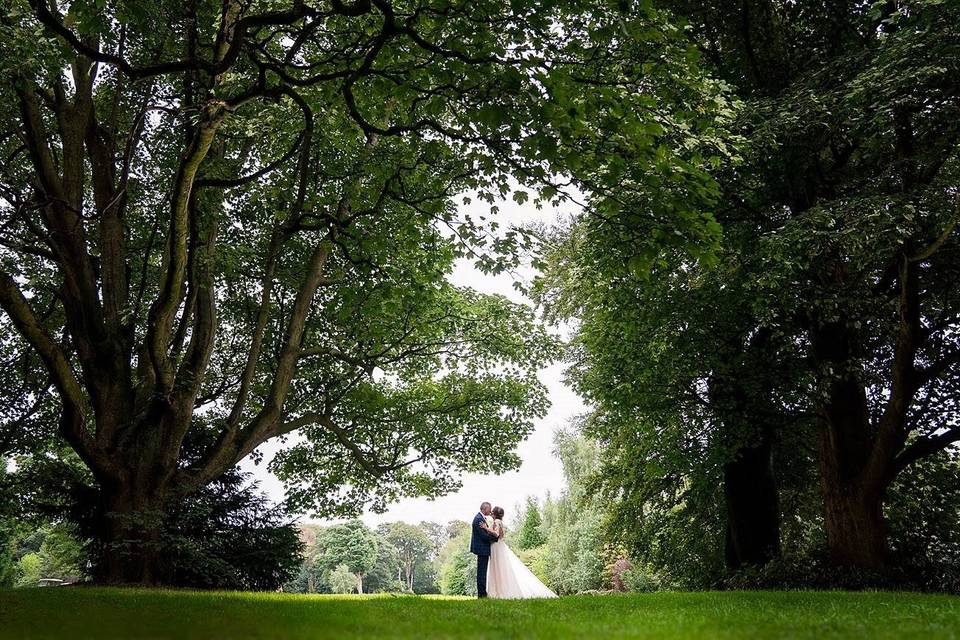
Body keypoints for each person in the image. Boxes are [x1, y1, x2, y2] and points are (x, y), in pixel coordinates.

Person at [485, 506, 558, 599]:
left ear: (494, 513)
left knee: (497, 567)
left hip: (496, 546)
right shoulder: (499, 522)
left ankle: (498, 591)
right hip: (499, 545)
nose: (491, 512)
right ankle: (498, 590)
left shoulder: (497, 522)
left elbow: (497, 534)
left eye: (492, 511)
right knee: (500, 567)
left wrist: (486, 528)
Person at [470, 501, 500, 598]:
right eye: (489, 508)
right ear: (485, 508)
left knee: (482, 571)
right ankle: (482, 594)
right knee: (482, 572)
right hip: (482, 549)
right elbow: (483, 536)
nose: (490, 510)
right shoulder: (478, 519)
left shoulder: (481, 518)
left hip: (482, 549)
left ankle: (482, 593)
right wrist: (496, 538)